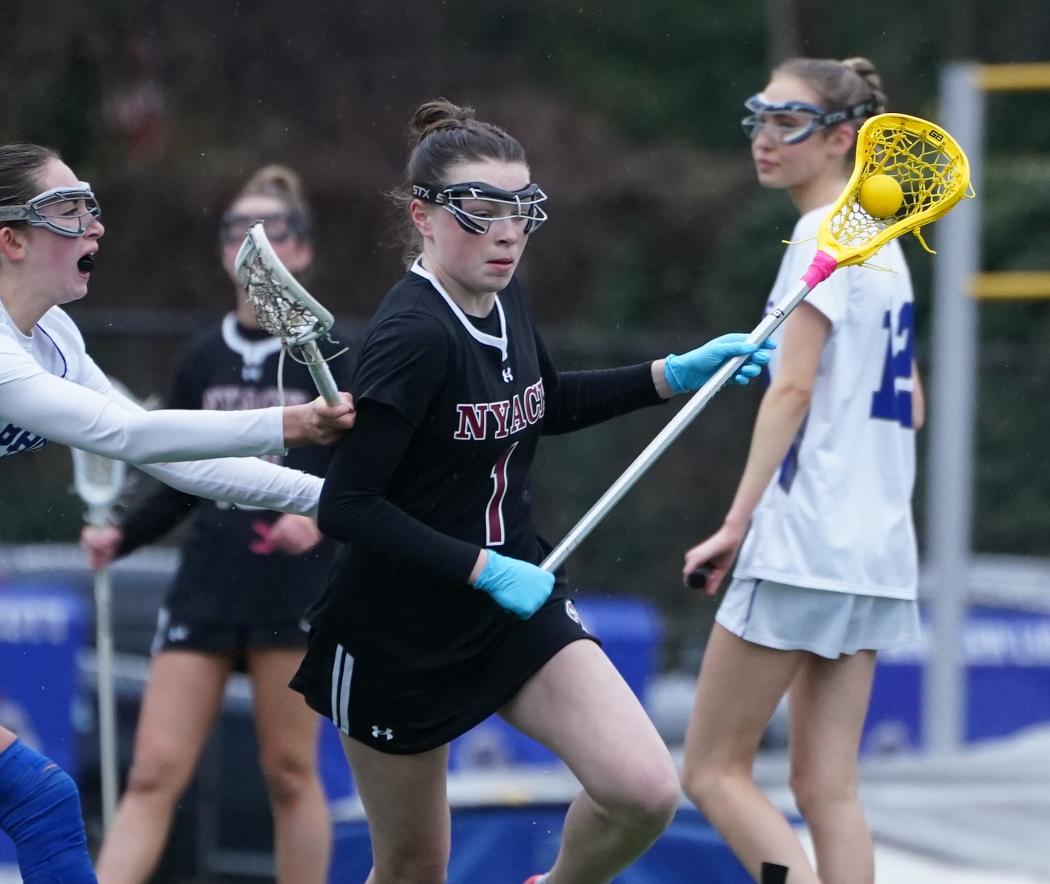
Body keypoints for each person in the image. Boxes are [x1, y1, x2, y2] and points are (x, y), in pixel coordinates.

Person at [0, 141, 353, 884]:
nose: (95, 226)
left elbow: (164, 455)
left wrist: (329, 498)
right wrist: (287, 425)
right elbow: (126, 436)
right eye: (70, 210)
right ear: (13, 240)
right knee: (42, 799)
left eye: (91, 205)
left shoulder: (53, 338)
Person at [288, 98, 774, 884]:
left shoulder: (505, 297)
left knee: (642, 792)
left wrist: (676, 374)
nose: (507, 231)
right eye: (482, 210)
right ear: (424, 215)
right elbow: (346, 506)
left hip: (514, 607)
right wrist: (484, 570)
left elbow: (544, 402)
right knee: (413, 867)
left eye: (521, 210)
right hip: (396, 635)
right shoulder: (411, 337)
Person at [680, 58, 922, 884]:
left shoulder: (822, 234)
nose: (765, 137)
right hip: (878, 552)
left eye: (790, 121)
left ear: (842, 139)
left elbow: (791, 387)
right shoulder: (885, 247)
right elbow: (912, 404)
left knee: (711, 770)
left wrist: (735, 524)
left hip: (805, 540)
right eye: (759, 117)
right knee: (829, 789)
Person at [81, 164, 350, 884]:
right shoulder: (202, 356)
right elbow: (177, 470)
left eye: (273, 230)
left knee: (290, 774)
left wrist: (322, 522)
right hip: (207, 582)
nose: (253, 242)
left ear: (301, 251)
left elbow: (364, 466)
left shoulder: (329, 354)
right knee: (151, 773)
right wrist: (123, 535)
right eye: (237, 229)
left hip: (291, 588)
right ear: (222, 248)